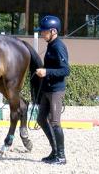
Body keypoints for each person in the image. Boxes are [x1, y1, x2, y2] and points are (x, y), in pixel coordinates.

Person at [35, 15, 70, 165]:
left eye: (44, 31)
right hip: (47, 89)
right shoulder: (50, 44)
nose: (42, 34)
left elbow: (65, 70)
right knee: (41, 119)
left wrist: (47, 71)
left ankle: (61, 156)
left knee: (55, 122)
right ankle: (54, 150)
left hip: (56, 90)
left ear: (53, 31)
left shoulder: (58, 46)